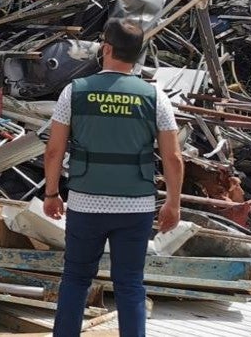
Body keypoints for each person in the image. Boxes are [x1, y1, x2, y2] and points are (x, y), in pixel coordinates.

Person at [42, 19, 184, 337]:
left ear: (106, 48)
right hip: (136, 207)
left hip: (85, 204)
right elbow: (173, 157)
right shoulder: (155, 97)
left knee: (76, 280)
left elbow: (53, 151)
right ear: (138, 54)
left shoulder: (74, 92)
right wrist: (173, 203)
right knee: (130, 284)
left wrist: (52, 194)